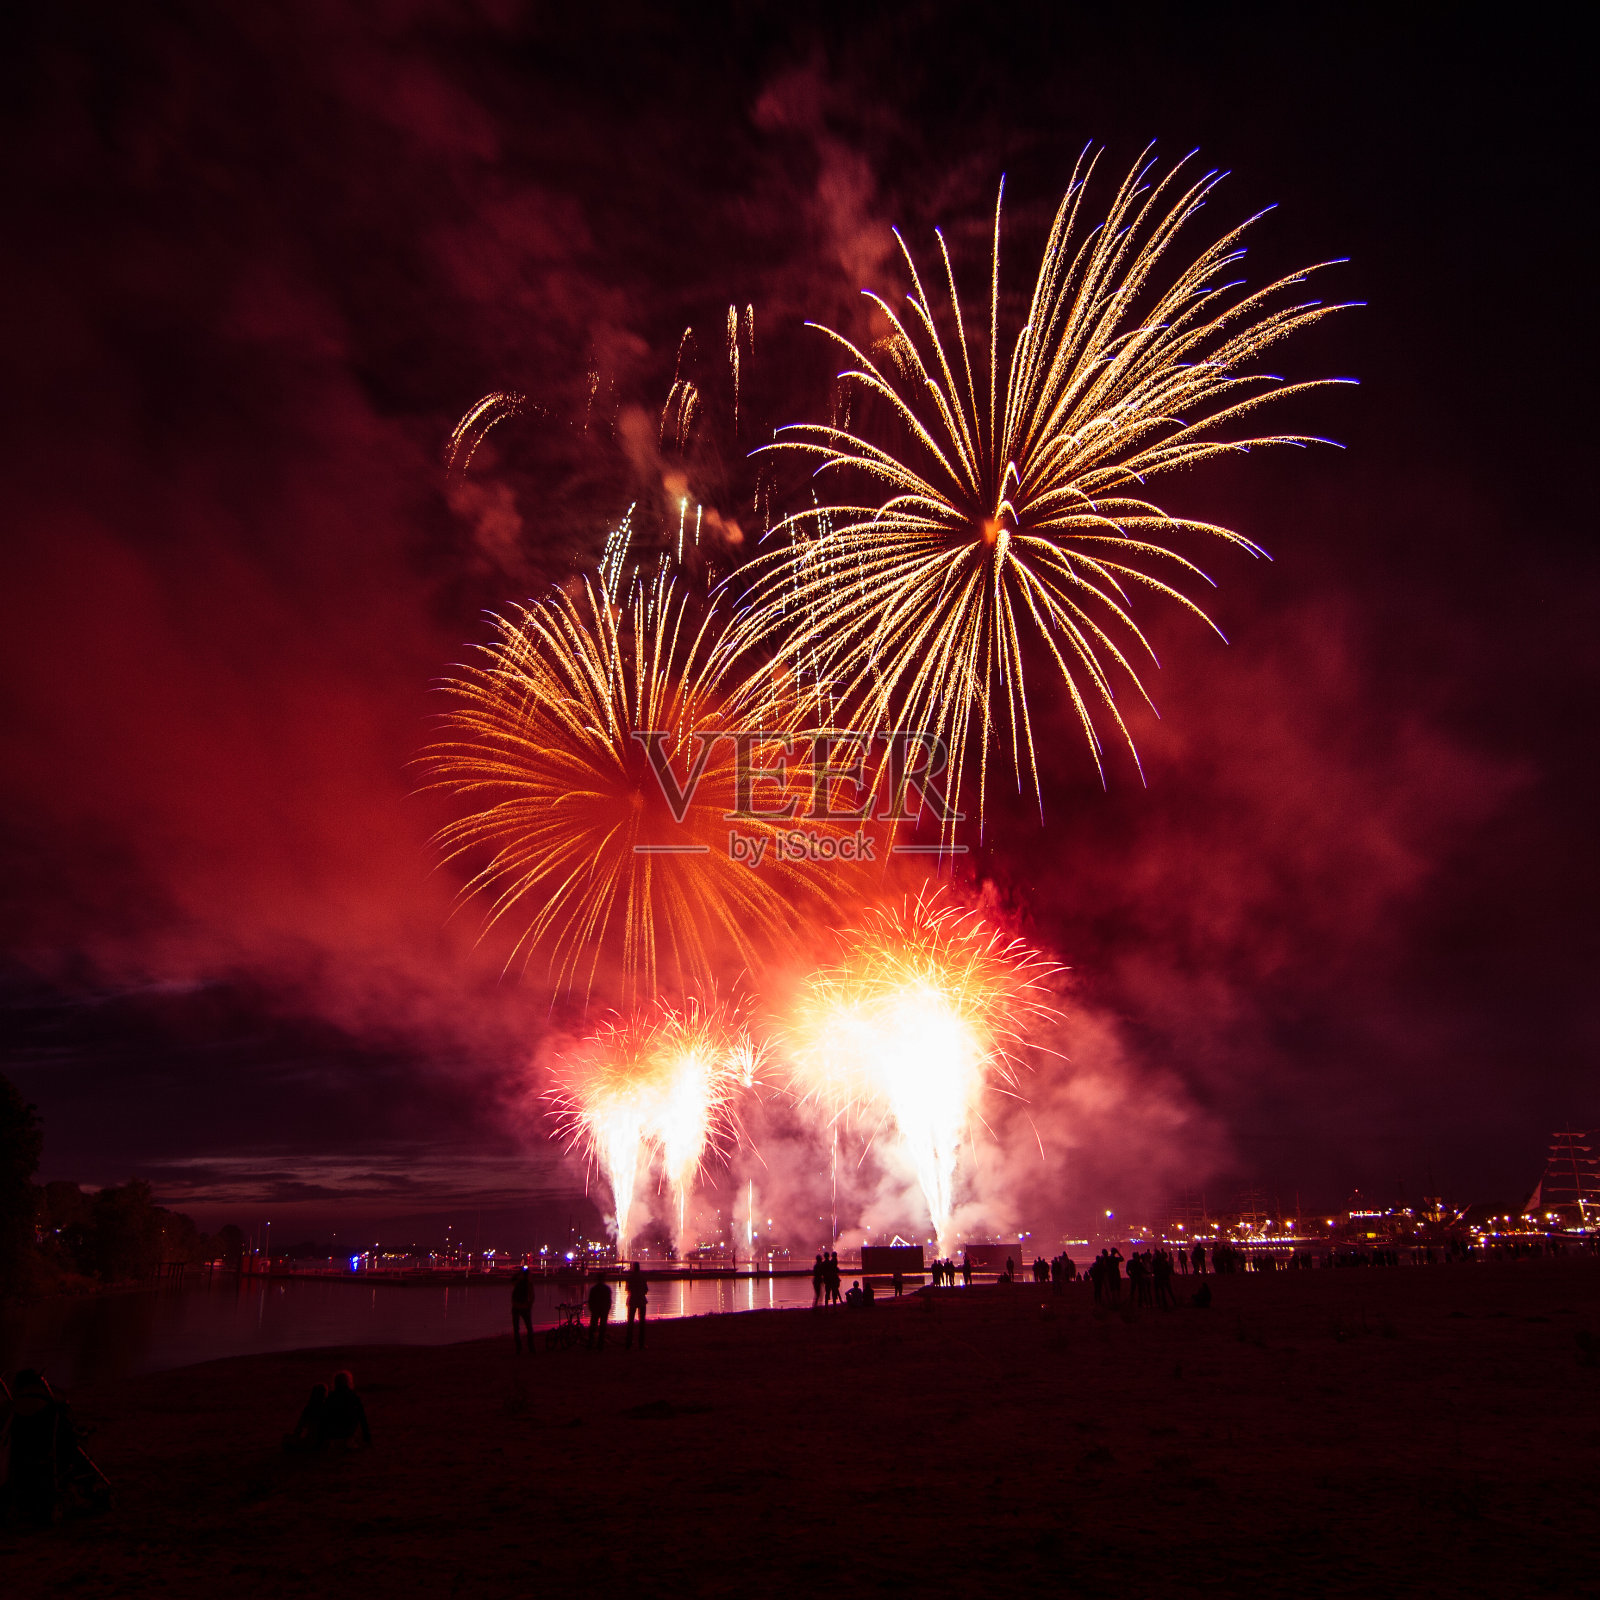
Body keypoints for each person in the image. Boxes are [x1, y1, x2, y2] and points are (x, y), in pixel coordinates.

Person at [318, 1370, 371, 1450]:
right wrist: (366, 1436)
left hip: (332, 1431)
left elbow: (324, 1416)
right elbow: (362, 1417)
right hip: (348, 1430)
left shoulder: (331, 1397)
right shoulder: (353, 1396)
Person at [284, 1383, 327, 1453]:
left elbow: (299, 1428)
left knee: (286, 1438)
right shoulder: (326, 1407)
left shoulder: (309, 1409)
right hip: (324, 1443)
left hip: (313, 1442)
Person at [511, 1266, 535, 1355]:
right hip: (524, 1307)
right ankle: (531, 1347)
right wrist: (530, 1305)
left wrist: (518, 1273)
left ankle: (519, 1348)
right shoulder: (528, 1283)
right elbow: (532, 1295)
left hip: (517, 1307)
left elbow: (511, 1280)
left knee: (516, 1329)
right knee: (529, 1328)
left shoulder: (518, 1282)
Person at [624, 1261, 648, 1350]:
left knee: (630, 1322)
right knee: (642, 1323)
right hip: (641, 1300)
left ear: (633, 1267)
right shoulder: (642, 1277)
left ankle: (628, 1343)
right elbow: (646, 1289)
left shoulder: (630, 1278)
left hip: (632, 1300)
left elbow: (627, 1289)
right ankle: (641, 1344)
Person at [586, 1273, 613, 1349]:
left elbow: (591, 1300)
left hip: (596, 1309)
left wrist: (591, 1308)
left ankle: (590, 1343)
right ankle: (600, 1344)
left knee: (593, 1327)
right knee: (602, 1327)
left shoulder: (594, 1289)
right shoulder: (607, 1289)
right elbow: (609, 1300)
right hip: (604, 1310)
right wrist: (608, 1309)